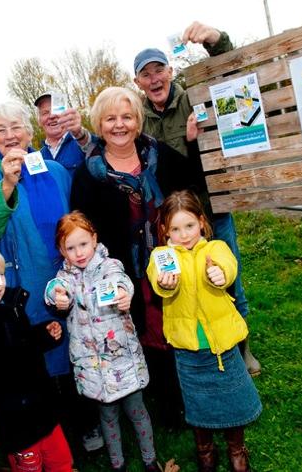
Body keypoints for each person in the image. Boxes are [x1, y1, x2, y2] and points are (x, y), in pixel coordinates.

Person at [0, 102, 102, 452]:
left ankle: (84, 425)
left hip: (58, 282)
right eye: (0, 130)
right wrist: (7, 183)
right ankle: (46, 436)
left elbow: (72, 224)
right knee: (31, 362)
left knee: (69, 354)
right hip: (16, 288)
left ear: (29, 131)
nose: (9, 136)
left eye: (15, 127)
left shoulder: (54, 171)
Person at [133, 22, 261, 376]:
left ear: (171, 71)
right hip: (172, 221)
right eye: (146, 74)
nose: (154, 78)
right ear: (138, 83)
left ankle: (242, 348)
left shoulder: (194, 96)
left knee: (227, 273)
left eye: (159, 70)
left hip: (210, 208)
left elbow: (233, 79)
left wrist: (216, 39)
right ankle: (195, 343)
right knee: (182, 281)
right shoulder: (138, 118)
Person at [70, 86, 197, 428]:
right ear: (99, 123)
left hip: (170, 260)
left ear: (138, 121)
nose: (120, 125)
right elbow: (83, 226)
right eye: (111, 118)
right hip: (126, 271)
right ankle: (164, 405)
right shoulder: (88, 174)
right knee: (146, 333)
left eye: (127, 117)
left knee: (177, 328)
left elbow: (193, 183)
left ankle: (187, 398)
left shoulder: (159, 155)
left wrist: (194, 141)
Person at [147, 190, 261, 472]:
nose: (184, 235)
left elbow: (229, 267)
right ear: (164, 230)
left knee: (234, 401)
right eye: (175, 228)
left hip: (222, 345)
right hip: (188, 350)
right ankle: (205, 451)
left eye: (189, 226)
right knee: (198, 407)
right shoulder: (161, 256)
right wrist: (166, 284)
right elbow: (157, 282)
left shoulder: (215, 248)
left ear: (201, 222)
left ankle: (237, 449)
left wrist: (220, 274)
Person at [45, 212, 161, 472]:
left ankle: (150, 459)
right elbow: (53, 288)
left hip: (123, 361)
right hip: (93, 367)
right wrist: (57, 296)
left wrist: (123, 293)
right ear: (62, 250)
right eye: (70, 248)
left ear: (94, 239)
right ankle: (117, 464)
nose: (79, 253)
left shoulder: (109, 265)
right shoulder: (65, 278)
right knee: (107, 417)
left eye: (83, 244)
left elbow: (122, 280)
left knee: (137, 412)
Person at [0, 243, 72, 472]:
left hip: (44, 408)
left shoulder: (12, 305)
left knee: (61, 462)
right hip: (16, 421)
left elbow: (23, 345)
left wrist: (44, 335)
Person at [33, 92, 97, 176]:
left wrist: (79, 133)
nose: (52, 116)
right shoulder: (37, 158)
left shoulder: (82, 143)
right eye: (45, 113)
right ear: (39, 121)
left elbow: (93, 146)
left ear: (67, 114)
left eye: (56, 110)